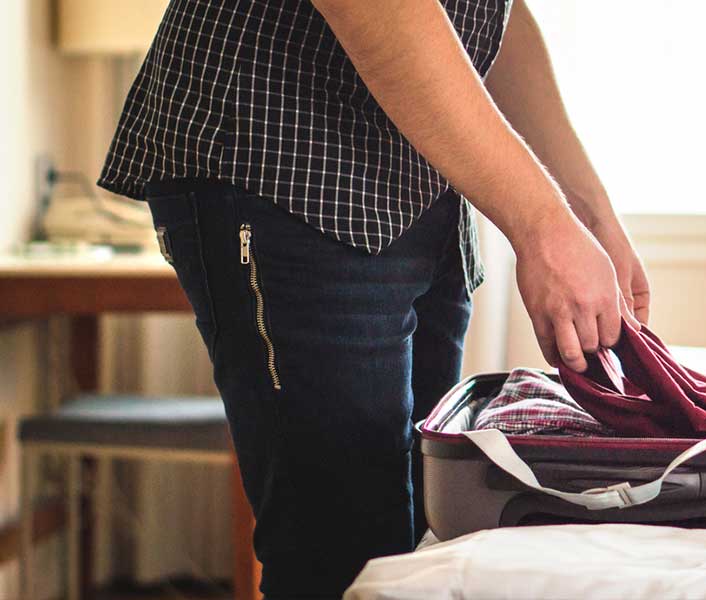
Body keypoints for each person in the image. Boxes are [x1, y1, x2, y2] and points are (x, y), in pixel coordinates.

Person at [98, 0, 649, 597]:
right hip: (283, 155)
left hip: (418, 185)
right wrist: (544, 224)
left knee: (425, 548)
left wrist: (587, 215)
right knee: (342, 559)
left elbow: (495, 15)